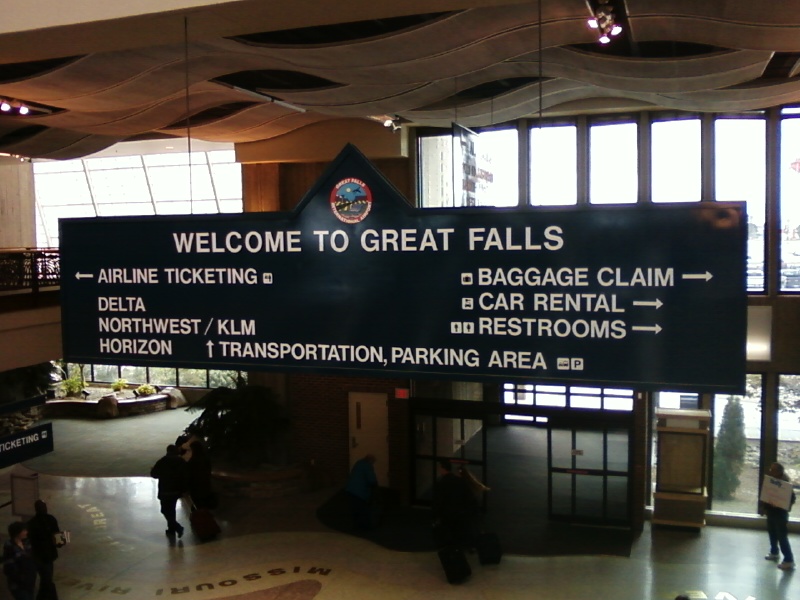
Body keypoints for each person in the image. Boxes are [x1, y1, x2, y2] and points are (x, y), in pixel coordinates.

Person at [432, 458, 480, 551]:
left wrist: (435, 516)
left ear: (442, 468)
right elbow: (469, 498)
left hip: (448, 515)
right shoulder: (459, 482)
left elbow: (438, 502)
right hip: (460, 514)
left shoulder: (441, 483)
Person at [760, 461, 796, 570]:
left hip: (780, 513)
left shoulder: (785, 484)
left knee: (781, 536)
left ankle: (789, 560)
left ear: (779, 472)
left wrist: (786, 505)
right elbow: (766, 495)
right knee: (772, 533)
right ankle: (774, 552)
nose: (770, 471)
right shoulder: (770, 482)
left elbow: (792, 498)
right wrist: (764, 508)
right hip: (771, 511)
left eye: (773, 470)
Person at [150, 444, 189, 538]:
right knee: (171, 509)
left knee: (165, 510)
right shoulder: (181, 461)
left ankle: (176, 527)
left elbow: (154, 474)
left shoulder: (162, 461)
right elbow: (186, 475)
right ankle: (172, 528)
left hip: (165, 489)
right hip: (176, 489)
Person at [26, 501, 62, 600]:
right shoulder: (51, 519)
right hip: (48, 556)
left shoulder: (31, 523)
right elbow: (58, 538)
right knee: (47, 578)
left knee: (45, 578)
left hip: (37, 556)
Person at [2, 521, 37, 600]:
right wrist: (20, 578)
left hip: (29, 581)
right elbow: (9, 566)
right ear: (17, 532)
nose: (26, 532)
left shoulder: (27, 543)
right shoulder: (9, 546)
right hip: (18, 583)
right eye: (24, 530)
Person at [345, 454, 378, 530]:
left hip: (351, 489)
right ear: (371, 461)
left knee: (355, 509)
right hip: (360, 492)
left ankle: (356, 526)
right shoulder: (367, 466)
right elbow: (372, 480)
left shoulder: (359, 463)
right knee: (362, 509)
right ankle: (363, 527)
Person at [186, 440, 216, 510]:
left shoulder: (194, 460)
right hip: (205, 484)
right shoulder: (205, 458)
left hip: (195, 486)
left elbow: (189, 472)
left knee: (198, 504)